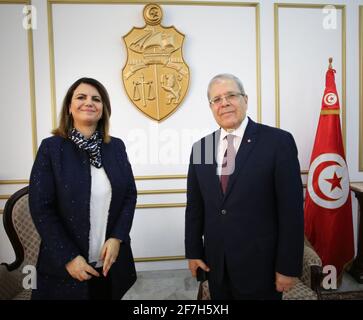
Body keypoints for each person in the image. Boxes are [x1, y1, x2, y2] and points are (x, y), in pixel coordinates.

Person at [185, 74, 304, 300]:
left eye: (231, 95)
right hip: (217, 267)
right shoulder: (201, 147)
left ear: (245, 100)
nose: (224, 103)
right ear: (211, 107)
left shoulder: (278, 142)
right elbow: (195, 207)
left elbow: (292, 212)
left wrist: (287, 267)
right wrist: (193, 252)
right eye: (217, 99)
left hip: (262, 269)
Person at [29, 77, 137, 300]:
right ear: (69, 107)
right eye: (81, 97)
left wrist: (117, 237)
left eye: (96, 99)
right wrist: (69, 257)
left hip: (109, 265)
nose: (89, 102)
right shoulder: (51, 148)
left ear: (103, 109)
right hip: (65, 268)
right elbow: (41, 208)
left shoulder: (115, 147)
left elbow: (129, 195)